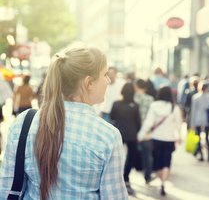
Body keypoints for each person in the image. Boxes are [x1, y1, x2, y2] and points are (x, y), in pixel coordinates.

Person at [0, 42, 128, 200]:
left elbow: (6, 189)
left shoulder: (24, 123)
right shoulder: (107, 136)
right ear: (89, 83)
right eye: (104, 74)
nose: (108, 81)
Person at [137, 86, 182, 196]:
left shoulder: (154, 106)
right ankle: (163, 182)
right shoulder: (174, 108)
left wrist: (141, 134)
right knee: (166, 162)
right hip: (169, 139)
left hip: (156, 138)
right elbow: (179, 124)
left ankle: (160, 178)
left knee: (157, 163)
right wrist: (179, 136)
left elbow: (148, 122)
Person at [110, 82, 141, 195]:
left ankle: (117, 178)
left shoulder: (116, 104)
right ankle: (126, 177)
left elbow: (112, 116)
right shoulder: (135, 105)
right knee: (131, 157)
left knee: (116, 157)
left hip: (118, 134)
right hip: (132, 135)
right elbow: (138, 122)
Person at [134, 79, 154, 184]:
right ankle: (147, 176)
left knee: (131, 154)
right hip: (146, 130)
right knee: (147, 155)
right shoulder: (150, 99)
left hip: (135, 129)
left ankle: (127, 176)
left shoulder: (133, 98)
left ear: (136, 86)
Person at [190, 82, 209, 162]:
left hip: (198, 119)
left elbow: (193, 111)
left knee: (199, 138)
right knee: (207, 138)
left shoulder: (196, 97)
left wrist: (192, 123)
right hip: (207, 119)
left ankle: (201, 155)